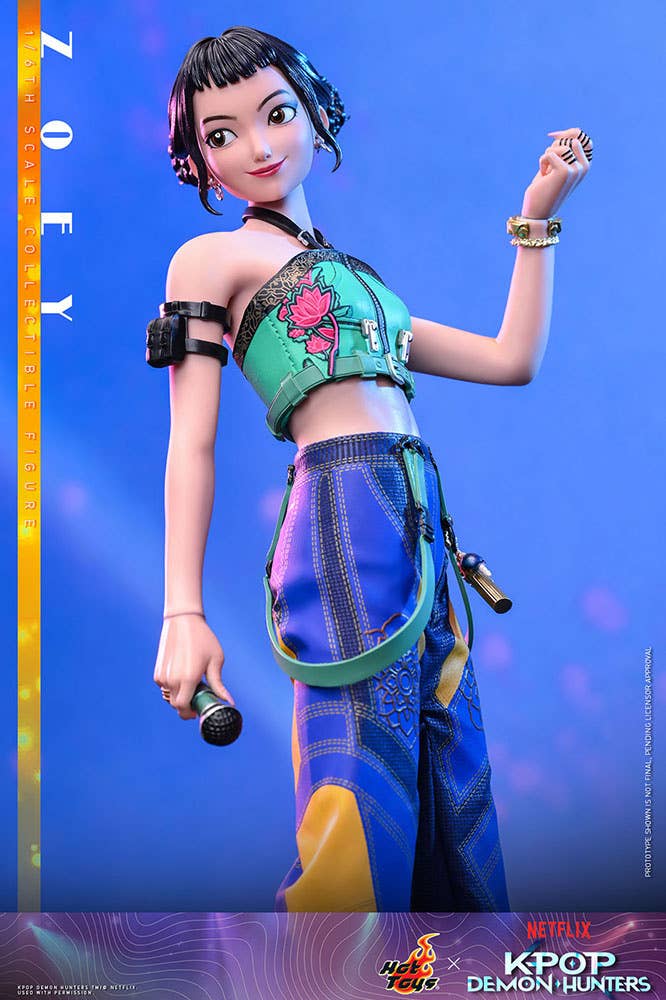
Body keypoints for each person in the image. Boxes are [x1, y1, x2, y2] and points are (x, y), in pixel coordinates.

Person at [151, 26, 591, 912]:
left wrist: (539, 215)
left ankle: (448, 960)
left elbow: (511, 359)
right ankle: (326, 965)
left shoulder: (361, 285)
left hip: (416, 514)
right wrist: (182, 610)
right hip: (341, 515)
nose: (259, 146)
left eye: (277, 114)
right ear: (200, 161)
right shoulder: (212, 259)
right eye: (223, 134)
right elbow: (189, 443)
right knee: (361, 781)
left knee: (451, 776)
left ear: (317, 114)